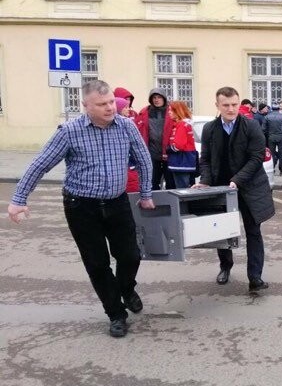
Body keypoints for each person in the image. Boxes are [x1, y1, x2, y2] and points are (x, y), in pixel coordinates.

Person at [8, 80, 154, 338]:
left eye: (111, 101)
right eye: (102, 104)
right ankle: (116, 313)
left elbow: (143, 160)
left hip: (117, 202)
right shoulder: (69, 131)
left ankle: (127, 288)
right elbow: (40, 164)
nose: (110, 107)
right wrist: (19, 199)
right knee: (97, 264)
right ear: (86, 106)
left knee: (130, 255)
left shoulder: (126, 126)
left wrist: (145, 194)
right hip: (81, 207)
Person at [194, 86, 274, 290]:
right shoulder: (210, 129)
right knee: (221, 232)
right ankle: (225, 267)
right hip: (221, 187)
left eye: (234, 104)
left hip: (250, 187)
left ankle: (255, 277)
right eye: (226, 105)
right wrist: (205, 180)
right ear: (218, 105)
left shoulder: (251, 126)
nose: (231, 109)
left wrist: (237, 180)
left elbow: (256, 157)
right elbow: (205, 159)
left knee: (253, 231)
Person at [135, 88, 175, 190]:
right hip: (151, 152)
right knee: (152, 181)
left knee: (171, 182)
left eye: (159, 97)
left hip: (169, 152)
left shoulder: (172, 111)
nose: (156, 100)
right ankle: (154, 204)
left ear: (164, 98)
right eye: (154, 98)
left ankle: (171, 204)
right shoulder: (144, 112)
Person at [166, 101, 197, 189]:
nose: (169, 112)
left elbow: (178, 145)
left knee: (182, 188)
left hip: (181, 162)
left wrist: (167, 149)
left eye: (171, 110)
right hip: (185, 161)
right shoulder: (184, 124)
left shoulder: (181, 125)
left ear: (178, 111)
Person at [116, 97, 140, 193]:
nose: (128, 109)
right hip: (125, 164)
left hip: (132, 164)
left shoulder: (129, 124)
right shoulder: (118, 126)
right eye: (125, 107)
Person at [263, 105, 282, 175]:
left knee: (272, 154)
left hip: (271, 137)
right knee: (281, 154)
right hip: (281, 137)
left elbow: (263, 129)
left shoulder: (267, 117)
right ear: (278, 108)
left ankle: (272, 169)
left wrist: (267, 134)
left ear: (272, 109)